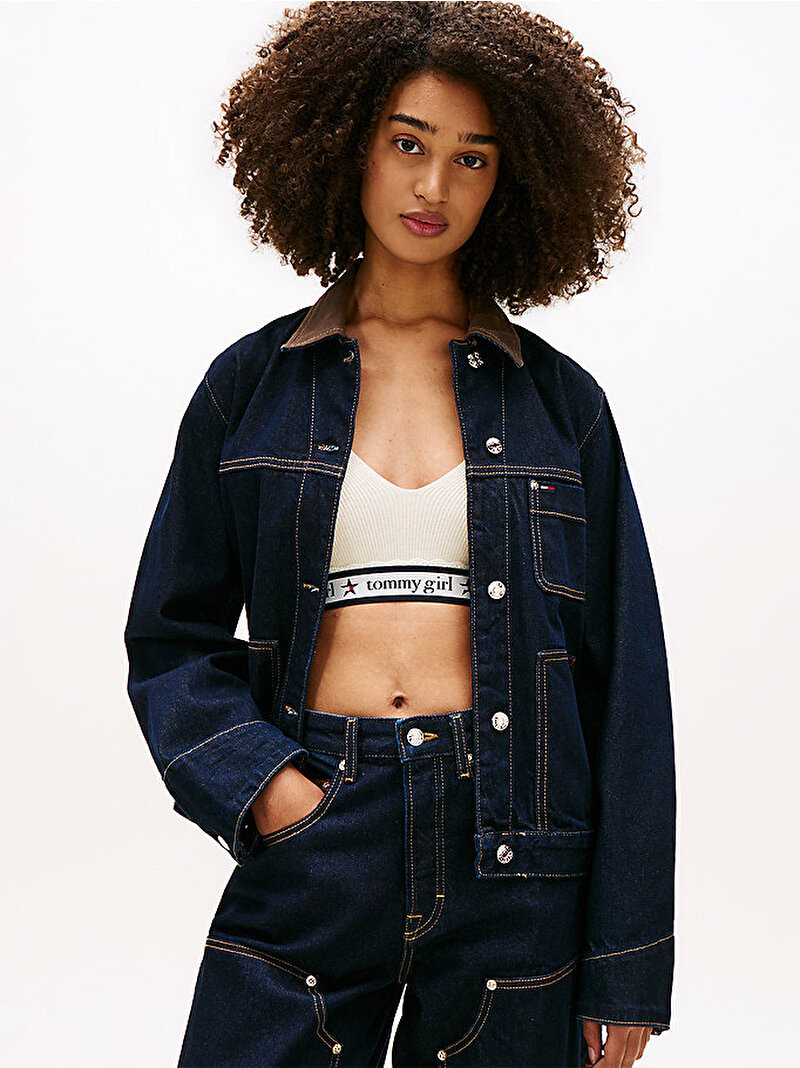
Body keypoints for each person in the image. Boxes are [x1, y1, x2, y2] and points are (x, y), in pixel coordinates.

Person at [123, 3, 677, 1066]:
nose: (433, 188)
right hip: (321, 824)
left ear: (510, 181)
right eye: (408, 143)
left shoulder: (562, 407)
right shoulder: (251, 388)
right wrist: (268, 790)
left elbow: (626, 695)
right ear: (348, 147)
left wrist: (627, 967)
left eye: (472, 158)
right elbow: (171, 638)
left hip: (516, 848)